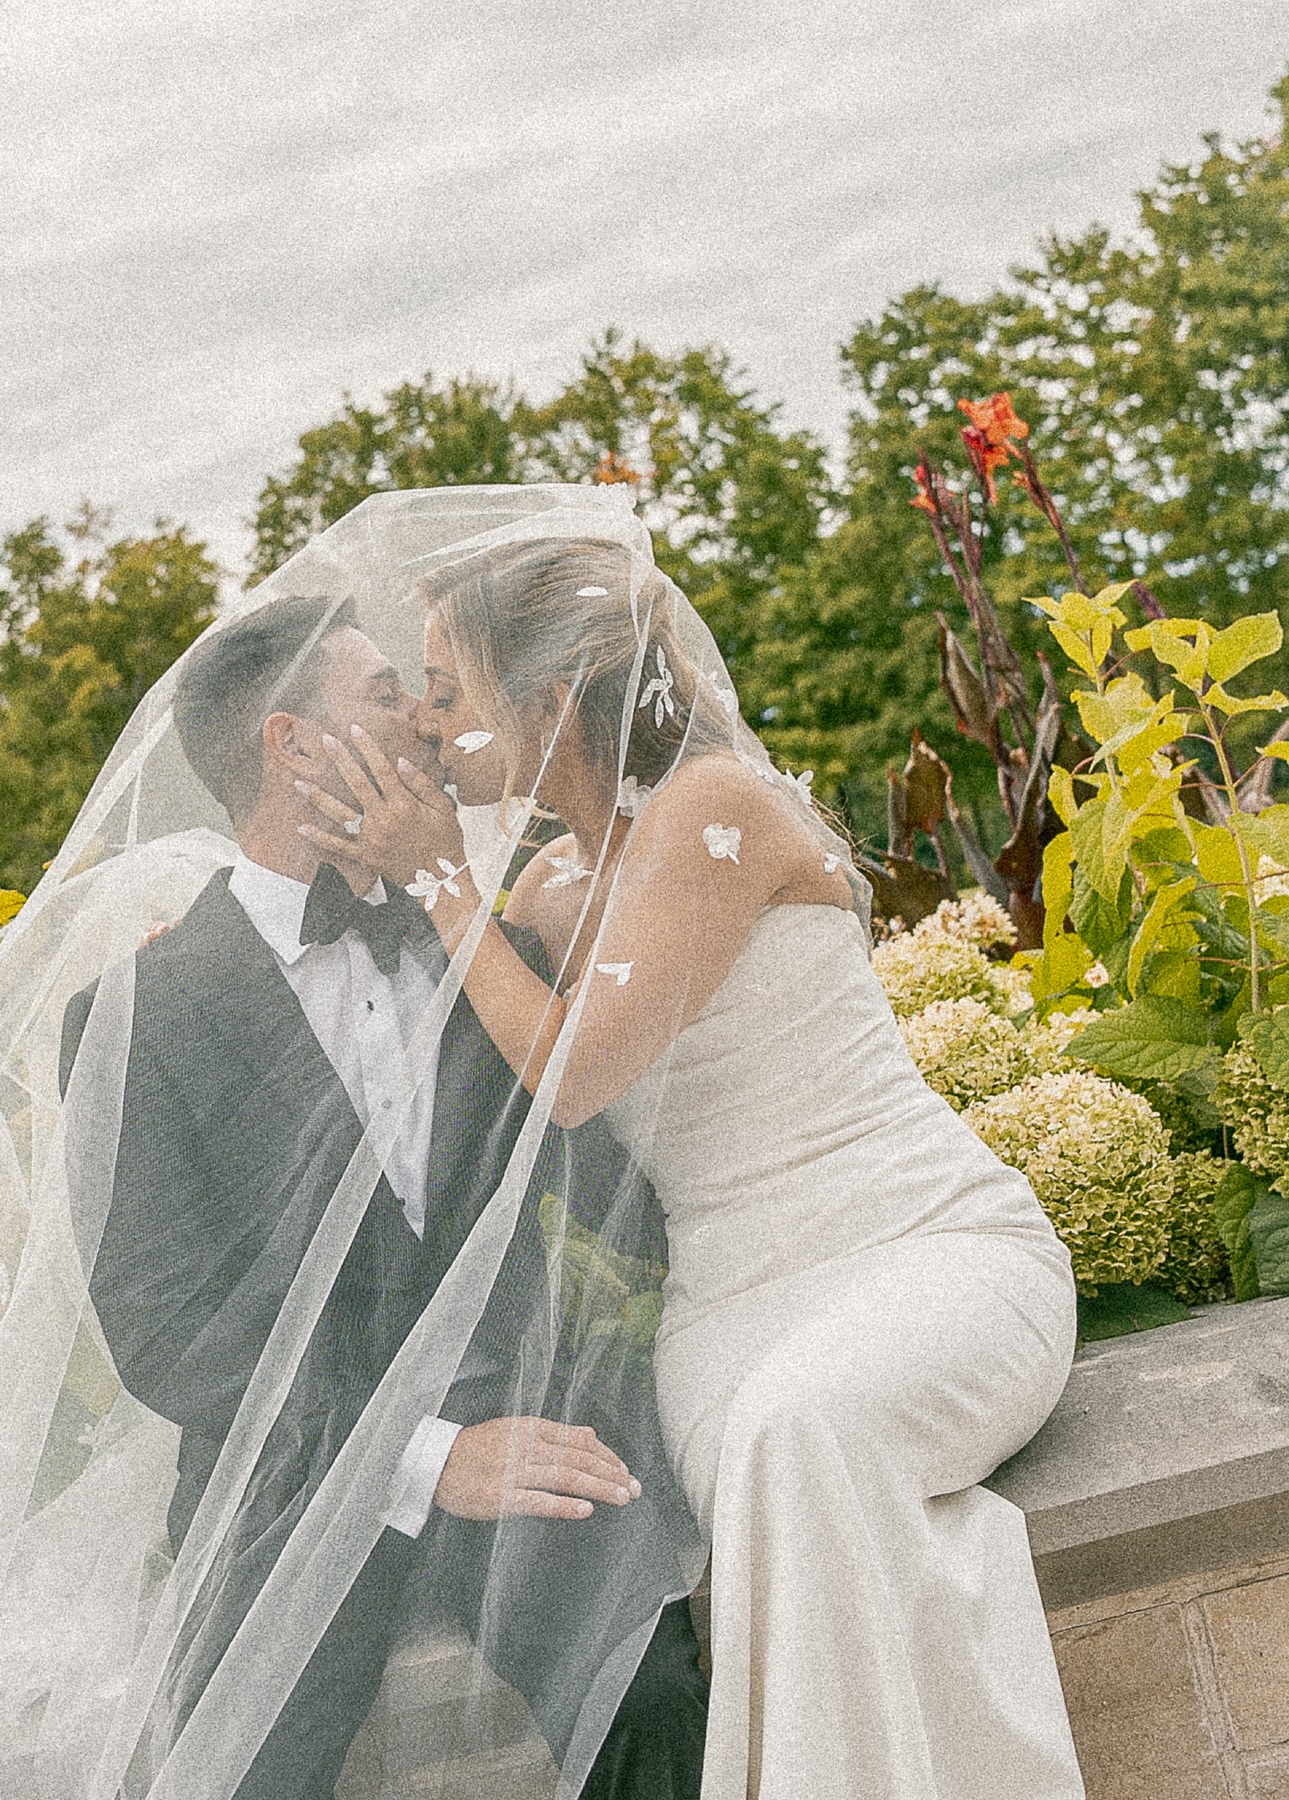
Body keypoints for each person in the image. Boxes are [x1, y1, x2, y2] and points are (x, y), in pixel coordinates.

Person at [292, 504, 1087, 1799]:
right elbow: (483, 1081)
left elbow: (577, 1069)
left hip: (931, 1254)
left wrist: (440, 880)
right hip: (729, 1325)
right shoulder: (546, 889)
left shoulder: (719, 810)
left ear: (547, 698)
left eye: (448, 692)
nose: (430, 724)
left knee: (805, 1433)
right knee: (787, 1434)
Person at [62, 596, 708, 1797]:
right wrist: (421, 1457)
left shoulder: (485, 926)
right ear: (292, 747)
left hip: (529, 1422)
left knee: (656, 1691)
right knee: (230, 1772)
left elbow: (631, 1162)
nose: (420, 718)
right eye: (379, 695)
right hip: (287, 1487)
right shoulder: (130, 1020)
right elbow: (168, 1330)